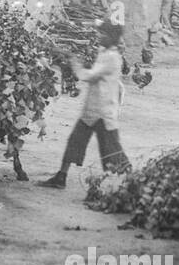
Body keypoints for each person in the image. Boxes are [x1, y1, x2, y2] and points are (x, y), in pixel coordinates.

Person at [38, 21, 131, 189]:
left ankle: (129, 183)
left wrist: (74, 62)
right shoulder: (104, 52)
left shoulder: (112, 57)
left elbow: (87, 76)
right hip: (93, 109)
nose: (98, 36)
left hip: (103, 112)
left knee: (111, 150)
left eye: (102, 34)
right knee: (75, 141)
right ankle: (61, 176)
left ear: (112, 37)